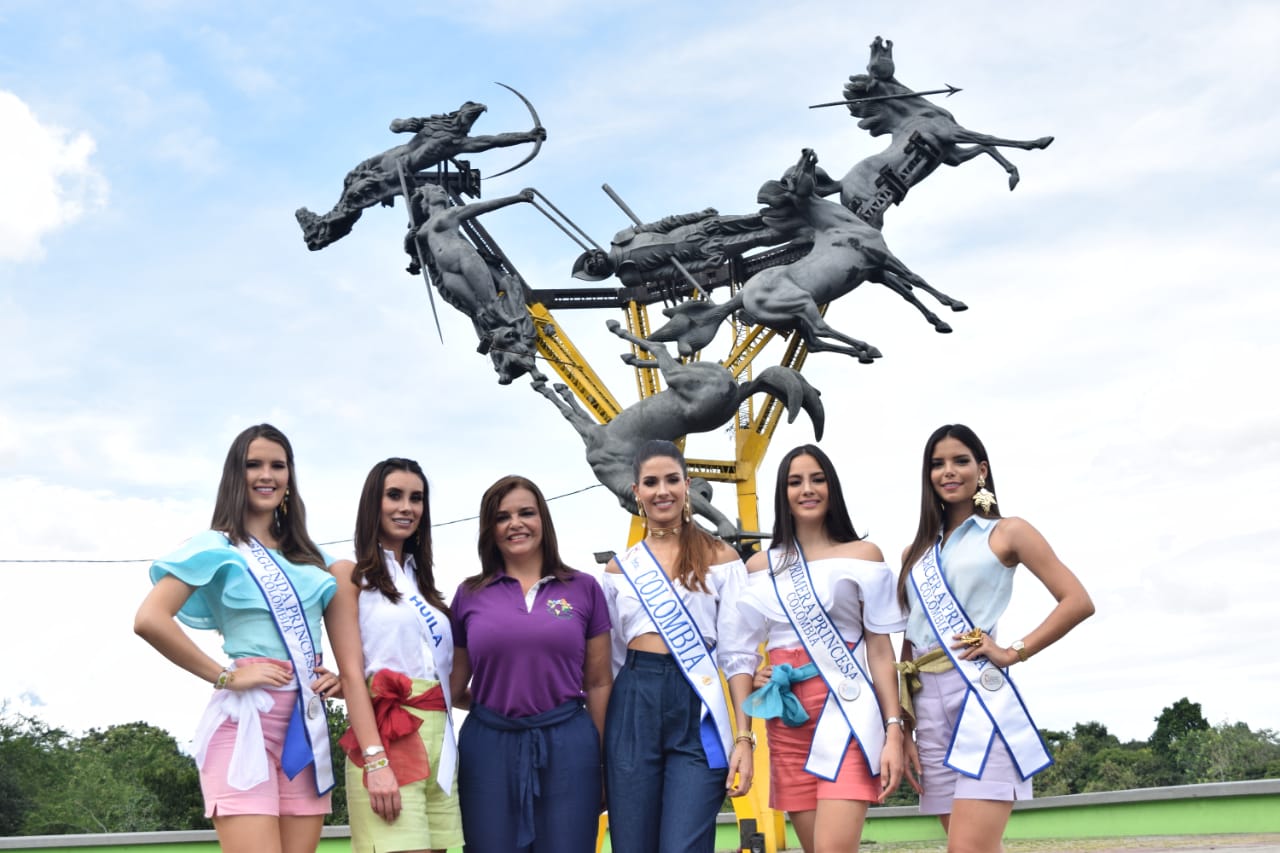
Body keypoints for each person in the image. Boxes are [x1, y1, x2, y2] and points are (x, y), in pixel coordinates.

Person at [134, 424, 340, 853]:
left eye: (277, 466)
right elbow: (150, 618)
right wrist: (224, 676)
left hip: (306, 731)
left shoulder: (314, 559)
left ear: (289, 477)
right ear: (235, 475)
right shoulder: (218, 546)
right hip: (245, 724)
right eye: (254, 465)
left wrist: (335, 678)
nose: (267, 475)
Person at [897, 424, 1094, 853]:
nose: (948, 471)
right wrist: (905, 726)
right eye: (937, 464)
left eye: (960, 461)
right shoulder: (915, 554)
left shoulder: (1007, 532)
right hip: (927, 709)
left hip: (978, 698)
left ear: (981, 470)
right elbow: (909, 642)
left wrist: (1013, 651)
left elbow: (1076, 600)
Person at [739, 444, 906, 852]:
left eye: (817, 479)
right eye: (795, 482)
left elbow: (881, 652)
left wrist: (894, 729)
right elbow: (743, 648)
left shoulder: (864, 556)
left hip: (845, 711)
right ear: (783, 493)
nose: (807, 489)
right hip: (786, 718)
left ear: (832, 487)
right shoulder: (761, 566)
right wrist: (760, 673)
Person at [603, 439, 756, 853]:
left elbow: (739, 655)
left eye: (672, 480)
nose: (662, 490)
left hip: (698, 705)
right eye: (650, 482)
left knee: (683, 846)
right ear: (636, 492)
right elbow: (610, 662)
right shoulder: (619, 570)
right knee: (632, 845)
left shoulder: (721, 558)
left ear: (688, 485)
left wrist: (744, 739)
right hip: (633, 702)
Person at [450, 475, 612, 853]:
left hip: (570, 747)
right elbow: (452, 689)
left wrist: (601, 761)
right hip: (488, 750)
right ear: (490, 529)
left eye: (526, 513)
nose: (515, 523)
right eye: (502, 517)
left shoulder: (583, 587)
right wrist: (503, 707)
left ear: (544, 520)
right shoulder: (469, 594)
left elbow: (600, 682)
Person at [327, 458, 462, 853]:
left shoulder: (424, 586)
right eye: (394, 496)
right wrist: (375, 760)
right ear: (374, 502)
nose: (407, 507)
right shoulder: (349, 575)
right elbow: (352, 674)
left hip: (441, 741)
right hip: (387, 737)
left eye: (416, 498)